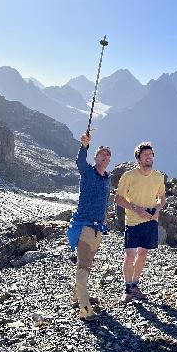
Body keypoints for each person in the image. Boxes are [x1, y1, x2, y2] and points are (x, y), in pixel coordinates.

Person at [67, 132, 111, 321]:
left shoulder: (106, 179)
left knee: (87, 264)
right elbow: (79, 162)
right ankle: (85, 309)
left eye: (108, 155)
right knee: (83, 266)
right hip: (84, 227)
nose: (105, 158)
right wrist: (84, 145)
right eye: (102, 154)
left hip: (97, 229)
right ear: (95, 157)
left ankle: (78, 296)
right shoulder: (87, 172)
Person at [115, 142, 166, 303]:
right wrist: (136, 209)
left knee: (143, 254)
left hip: (151, 221)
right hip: (132, 221)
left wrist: (158, 208)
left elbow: (162, 197)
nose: (149, 157)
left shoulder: (158, 176)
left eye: (151, 154)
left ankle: (135, 285)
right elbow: (118, 199)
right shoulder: (128, 176)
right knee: (130, 255)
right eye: (145, 155)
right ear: (138, 158)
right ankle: (127, 288)